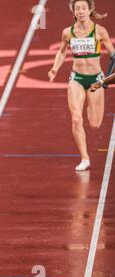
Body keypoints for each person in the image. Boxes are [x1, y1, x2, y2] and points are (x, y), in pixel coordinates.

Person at [48, 0, 114, 171]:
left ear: (89, 10)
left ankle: (89, 104)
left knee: (95, 124)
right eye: (77, 8)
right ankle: (85, 158)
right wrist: (54, 69)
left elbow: (113, 53)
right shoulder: (68, 33)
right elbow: (61, 52)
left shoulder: (100, 31)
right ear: (73, 11)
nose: (81, 11)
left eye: (84, 8)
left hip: (95, 81)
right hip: (76, 78)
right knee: (76, 120)